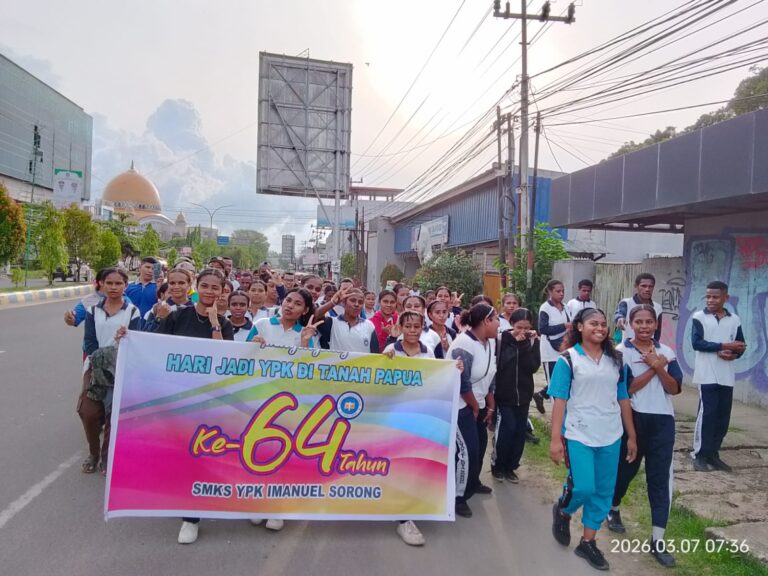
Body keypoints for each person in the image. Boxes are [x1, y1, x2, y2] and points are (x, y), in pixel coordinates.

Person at [549, 308, 638, 572]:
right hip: (579, 433)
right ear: (579, 327)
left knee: (603, 491)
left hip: (611, 434)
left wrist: (631, 435)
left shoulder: (616, 360)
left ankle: (588, 542)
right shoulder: (568, 360)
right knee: (583, 487)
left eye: (603, 324)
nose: (599, 328)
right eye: (593, 323)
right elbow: (559, 401)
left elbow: (623, 398)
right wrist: (556, 439)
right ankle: (564, 510)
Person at [153, 268, 234, 545]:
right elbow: (155, 348)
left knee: (201, 455)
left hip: (210, 401)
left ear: (223, 291)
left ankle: (191, 517)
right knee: (181, 455)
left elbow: (225, 361)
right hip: (177, 398)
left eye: (216, 288)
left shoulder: (224, 324)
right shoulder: (177, 317)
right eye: (206, 286)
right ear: (196, 287)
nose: (211, 291)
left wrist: (214, 323)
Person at [607, 305, 683, 568]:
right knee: (625, 471)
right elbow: (626, 388)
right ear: (629, 324)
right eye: (638, 321)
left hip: (663, 422)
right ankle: (613, 508)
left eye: (649, 321)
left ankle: (657, 539)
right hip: (634, 420)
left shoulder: (667, 353)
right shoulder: (620, 353)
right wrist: (652, 367)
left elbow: (674, 388)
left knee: (659, 480)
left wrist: (659, 366)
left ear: (656, 324)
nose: (644, 326)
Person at [381, 310, 442, 547]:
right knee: (395, 465)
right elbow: (377, 377)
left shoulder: (429, 355)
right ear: (401, 327)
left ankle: (406, 513)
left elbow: (440, 378)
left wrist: (453, 370)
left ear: (422, 327)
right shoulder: (390, 351)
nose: (413, 330)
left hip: (420, 418)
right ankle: (402, 516)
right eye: (408, 326)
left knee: (412, 466)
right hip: (393, 417)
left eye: (417, 326)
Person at [79, 268, 140, 475]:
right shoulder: (92, 312)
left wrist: (126, 337)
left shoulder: (133, 312)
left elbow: (136, 341)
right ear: (101, 285)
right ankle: (93, 453)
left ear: (125, 286)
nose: (114, 287)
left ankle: (106, 459)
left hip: (121, 369)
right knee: (88, 413)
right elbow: (89, 341)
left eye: (118, 283)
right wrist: (100, 361)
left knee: (113, 416)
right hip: (95, 368)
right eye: (109, 283)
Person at [447, 303, 499, 518]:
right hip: (460, 406)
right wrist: (475, 407)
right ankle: (458, 496)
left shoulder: (489, 342)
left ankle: (473, 481)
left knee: (480, 446)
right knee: (467, 452)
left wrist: (490, 404)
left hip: (477, 404)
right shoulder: (463, 344)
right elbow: (463, 382)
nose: (499, 324)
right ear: (486, 321)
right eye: (496, 319)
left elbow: (488, 376)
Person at [691, 281, 746, 473]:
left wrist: (734, 354)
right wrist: (724, 346)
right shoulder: (699, 317)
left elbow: (740, 345)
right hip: (706, 375)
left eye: (715, 297)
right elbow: (697, 343)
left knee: (722, 417)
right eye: (708, 296)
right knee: (707, 415)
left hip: (726, 376)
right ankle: (699, 455)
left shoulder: (734, 320)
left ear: (726, 298)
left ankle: (713, 454)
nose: (711, 300)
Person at [492, 308, 541, 483]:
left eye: (527, 328)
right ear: (512, 324)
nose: (523, 331)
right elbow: (502, 363)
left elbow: (533, 367)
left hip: (524, 394)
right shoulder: (501, 339)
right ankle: (498, 465)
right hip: (504, 394)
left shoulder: (533, 341)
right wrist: (516, 343)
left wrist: (528, 344)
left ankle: (511, 467)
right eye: (519, 327)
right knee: (507, 429)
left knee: (520, 432)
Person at [533, 280, 571, 415]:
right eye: (558, 291)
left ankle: (542, 395)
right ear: (550, 291)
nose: (561, 294)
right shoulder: (545, 308)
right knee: (554, 383)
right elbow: (543, 329)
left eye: (562, 291)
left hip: (565, 349)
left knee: (564, 380)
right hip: (550, 351)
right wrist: (564, 326)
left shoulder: (566, 307)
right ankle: (556, 419)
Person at [248, 288, 319, 349]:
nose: (290, 306)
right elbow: (243, 354)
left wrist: (305, 342)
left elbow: (307, 362)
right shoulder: (262, 324)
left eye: (298, 304)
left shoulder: (305, 333)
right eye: (288, 300)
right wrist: (253, 345)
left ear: (305, 310)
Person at [314, 287, 378, 353]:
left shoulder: (369, 325)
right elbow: (316, 316)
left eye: (360, 302)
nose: (356, 304)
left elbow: (375, 353)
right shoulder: (332, 323)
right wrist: (333, 302)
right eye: (352, 300)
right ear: (344, 302)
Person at [614, 273, 663, 342]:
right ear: (636, 286)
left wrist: (655, 347)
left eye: (650, 286)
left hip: (648, 349)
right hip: (629, 347)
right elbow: (619, 314)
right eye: (643, 286)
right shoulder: (627, 303)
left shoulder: (657, 307)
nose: (647, 289)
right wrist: (620, 319)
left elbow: (657, 333)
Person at [142, 268, 193, 332]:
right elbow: (146, 333)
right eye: (172, 283)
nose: (176, 286)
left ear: (189, 284)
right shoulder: (157, 307)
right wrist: (159, 318)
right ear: (168, 284)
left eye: (181, 283)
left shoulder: (196, 309)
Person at [125, 256, 159, 321]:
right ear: (140, 267)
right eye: (147, 267)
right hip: (129, 325)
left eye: (153, 268)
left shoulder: (159, 288)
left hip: (150, 326)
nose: (150, 271)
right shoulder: (128, 287)